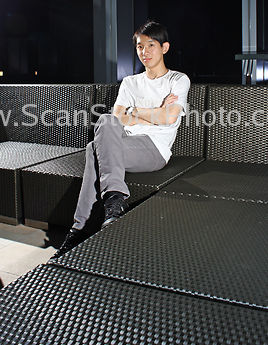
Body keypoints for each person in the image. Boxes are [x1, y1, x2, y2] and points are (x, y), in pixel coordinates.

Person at [51, 20, 190, 259]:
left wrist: (134, 112)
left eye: (150, 45)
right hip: (121, 140)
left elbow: (169, 117)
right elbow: (116, 118)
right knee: (105, 122)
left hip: (154, 149)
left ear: (164, 48)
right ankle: (114, 201)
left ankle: (78, 232)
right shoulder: (130, 82)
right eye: (139, 47)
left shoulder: (177, 80)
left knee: (93, 149)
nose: (144, 52)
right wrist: (154, 113)